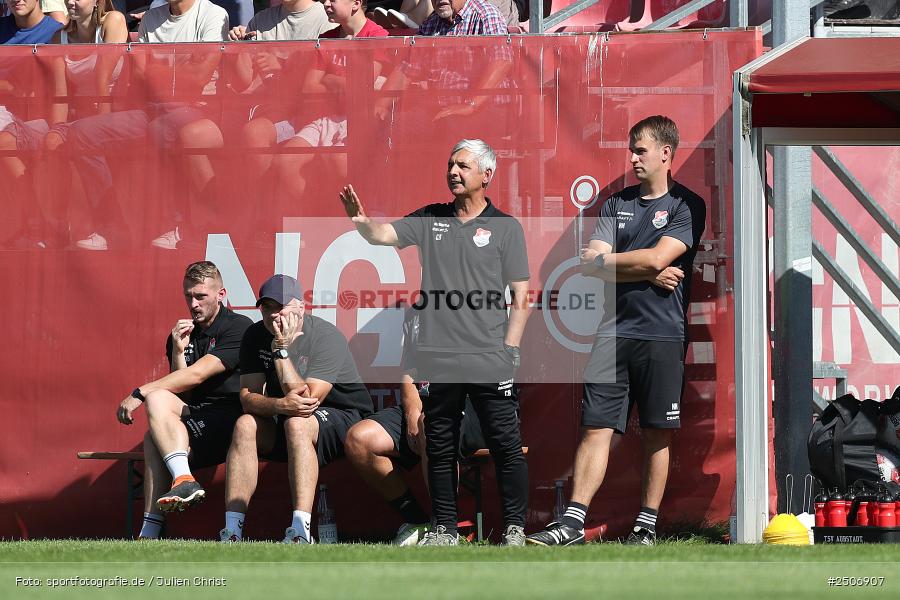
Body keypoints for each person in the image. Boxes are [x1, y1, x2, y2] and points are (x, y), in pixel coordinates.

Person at [339, 138, 531, 546]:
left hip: (489, 356)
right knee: (439, 443)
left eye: (463, 165)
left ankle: (515, 528)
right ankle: (444, 529)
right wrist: (361, 222)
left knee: (505, 444)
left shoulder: (506, 228)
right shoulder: (431, 219)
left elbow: (521, 294)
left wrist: (510, 349)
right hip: (439, 357)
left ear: (486, 175)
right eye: (450, 164)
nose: (453, 172)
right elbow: (384, 235)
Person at [526, 115, 707, 547]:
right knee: (595, 428)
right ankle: (571, 524)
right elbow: (595, 264)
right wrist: (646, 273)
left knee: (657, 433)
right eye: (631, 149)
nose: (632, 158)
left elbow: (648, 259)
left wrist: (630, 266)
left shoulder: (687, 205)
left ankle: (645, 526)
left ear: (665, 153)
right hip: (611, 336)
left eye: (640, 150)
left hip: (662, 336)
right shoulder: (615, 204)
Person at [221, 274, 373, 543]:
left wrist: (281, 351)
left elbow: (307, 400)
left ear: (301, 307)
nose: (273, 315)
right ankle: (232, 532)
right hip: (288, 414)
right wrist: (279, 404)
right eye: (266, 307)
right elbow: (248, 397)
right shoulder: (255, 335)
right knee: (245, 424)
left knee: (297, 422)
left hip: (344, 417)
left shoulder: (326, 336)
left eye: (280, 307)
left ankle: (300, 531)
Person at [116, 261, 252, 539]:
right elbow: (183, 391)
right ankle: (152, 528)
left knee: (152, 399)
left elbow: (198, 375)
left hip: (232, 420)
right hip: (198, 415)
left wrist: (138, 392)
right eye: (188, 296)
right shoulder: (182, 334)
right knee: (153, 432)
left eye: (201, 296)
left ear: (221, 295)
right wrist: (178, 353)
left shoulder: (239, 327)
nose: (194, 303)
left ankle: (181, 483)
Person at [344, 309, 487, 545]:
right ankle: (418, 521)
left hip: (475, 406)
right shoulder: (417, 312)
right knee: (359, 439)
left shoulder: (476, 303)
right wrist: (412, 412)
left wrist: (427, 415)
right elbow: (411, 371)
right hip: (426, 403)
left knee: (431, 424)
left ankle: (444, 526)